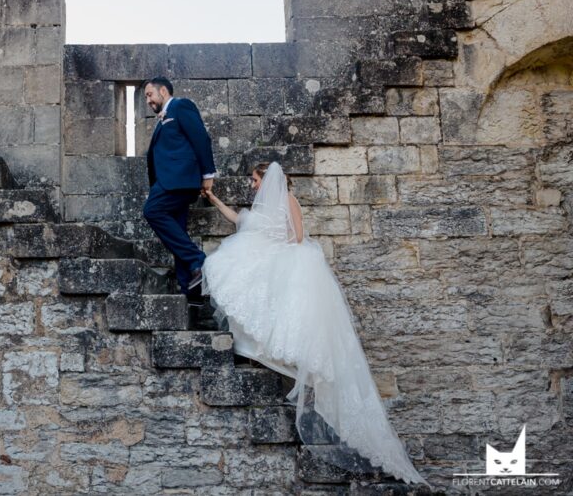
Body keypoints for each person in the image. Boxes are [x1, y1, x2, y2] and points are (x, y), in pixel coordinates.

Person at [201, 161, 428, 486]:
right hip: (276, 256)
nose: (252, 185)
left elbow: (297, 236)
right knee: (229, 272)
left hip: (294, 262)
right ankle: (259, 349)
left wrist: (271, 251)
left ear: (267, 179)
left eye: (254, 180)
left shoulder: (288, 200)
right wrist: (214, 200)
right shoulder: (262, 208)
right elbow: (240, 221)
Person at [141, 77, 216, 301]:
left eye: (149, 94)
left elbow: (201, 137)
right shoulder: (162, 118)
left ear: (163, 90)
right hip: (168, 181)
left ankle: (199, 261)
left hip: (179, 181)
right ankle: (190, 292)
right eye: (146, 97)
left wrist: (208, 174)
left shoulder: (180, 106)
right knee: (178, 232)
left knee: (152, 211)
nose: (148, 100)